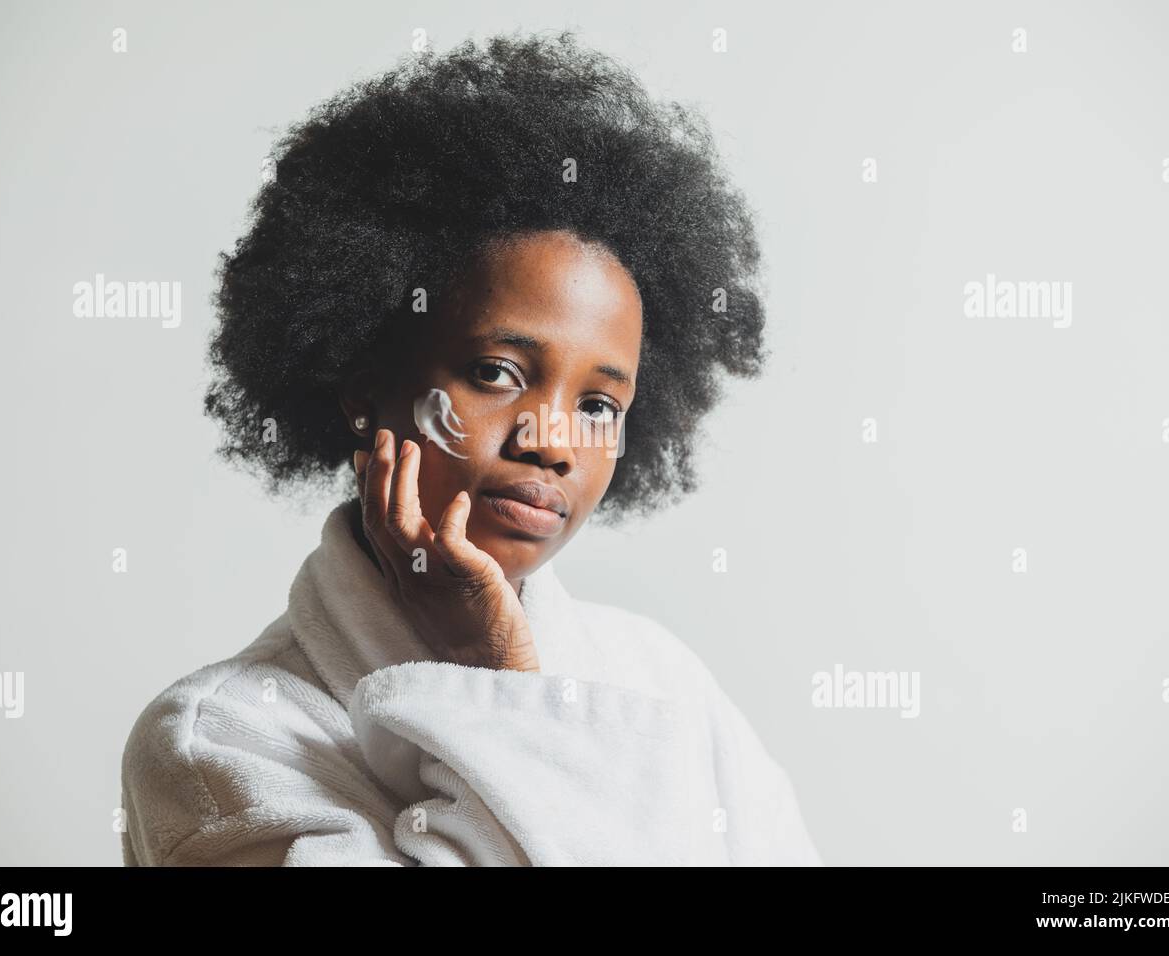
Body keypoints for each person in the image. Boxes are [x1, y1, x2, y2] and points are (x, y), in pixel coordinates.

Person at [119, 29, 821, 866]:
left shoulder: (666, 686)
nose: (553, 441)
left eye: (600, 404)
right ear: (362, 383)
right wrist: (486, 673)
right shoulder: (218, 742)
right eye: (496, 370)